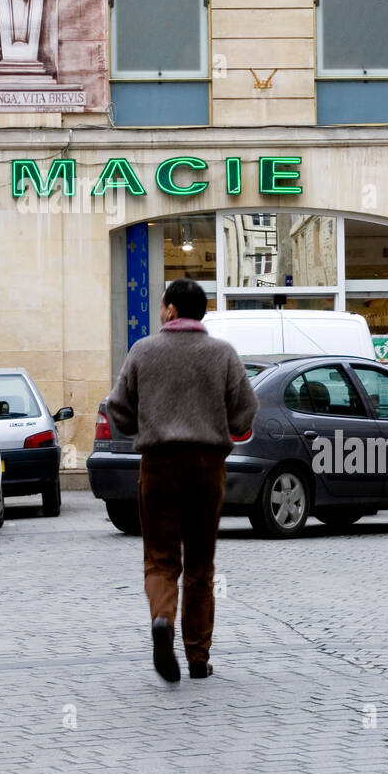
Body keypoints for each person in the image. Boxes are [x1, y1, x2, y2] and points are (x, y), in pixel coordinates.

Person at [106, 279, 258, 684]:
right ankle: (197, 657)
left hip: (158, 464)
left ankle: (162, 619)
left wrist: (147, 420)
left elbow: (117, 408)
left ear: (171, 310)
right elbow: (246, 410)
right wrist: (220, 424)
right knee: (201, 564)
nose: (160, 312)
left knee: (160, 558)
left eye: (162, 306)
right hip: (207, 466)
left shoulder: (143, 350)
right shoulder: (222, 354)